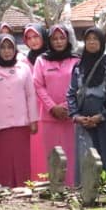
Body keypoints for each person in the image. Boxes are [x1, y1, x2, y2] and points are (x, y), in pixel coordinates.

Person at [67, 26, 106, 196]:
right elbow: (71, 93)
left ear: (102, 42)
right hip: (84, 122)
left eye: (95, 39)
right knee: (86, 159)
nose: (91, 42)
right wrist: (76, 116)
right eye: (88, 39)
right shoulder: (79, 66)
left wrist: (101, 116)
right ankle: (87, 195)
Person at [0, 33, 37, 187]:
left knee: (21, 162)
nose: (7, 51)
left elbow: (30, 95)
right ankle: (0, 191)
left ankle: (22, 189)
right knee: (0, 163)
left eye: (10, 47)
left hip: (21, 125)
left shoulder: (24, 68)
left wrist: (33, 120)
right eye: (3, 48)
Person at [32, 23, 77, 185]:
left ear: (67, 40)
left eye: (62, 38)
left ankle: (71, 189)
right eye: (55, 39)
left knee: (71, 156)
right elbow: (38, 85)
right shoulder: (41, 60)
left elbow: (80, 86)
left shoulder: (76, 60)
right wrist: (52, 107)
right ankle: (53, 189)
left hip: (70, 117)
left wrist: (66, 106)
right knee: (51, 155)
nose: (58, 42)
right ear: (49, 41)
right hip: (49, 117)